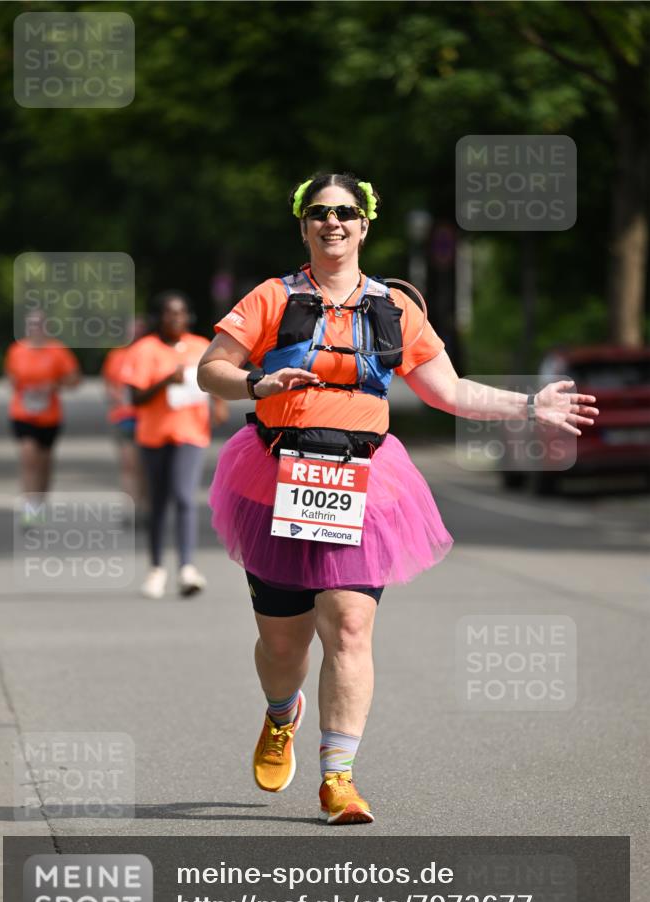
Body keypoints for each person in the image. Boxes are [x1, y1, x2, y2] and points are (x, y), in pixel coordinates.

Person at [197, 172, 598, 825]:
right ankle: (280, 715)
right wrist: (255, 380)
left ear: (364, 224)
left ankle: (338, 779)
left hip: (363, 481)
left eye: (346, 212)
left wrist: (527, 404)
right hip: (275, 478)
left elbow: (450, 391)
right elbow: (209, 367)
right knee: (282, 646)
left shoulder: (394, 307)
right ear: (303, 224)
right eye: (320, 213)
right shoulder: (272, 297)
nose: (333, 222)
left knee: (349, 627)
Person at [121, 291, 229, 599]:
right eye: (169, 313)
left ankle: (186, 567)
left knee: (183, 496)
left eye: (180, 313)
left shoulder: (200, 346)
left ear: (188, 317)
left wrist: (218, 403)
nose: (175, 318)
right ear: (159, 317)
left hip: (191, 434)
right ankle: (156, 568)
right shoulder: (144, 350)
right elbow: (135, 398)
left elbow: (214, 380)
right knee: (157, 502)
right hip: (153, 435)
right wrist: (166, 381)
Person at [4, 309, 81, 527]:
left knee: (45, 463)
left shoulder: (57, 351)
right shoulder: (17, 350)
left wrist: (53, 385)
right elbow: (10, 377)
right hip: (23, 413)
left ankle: (40, 501)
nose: (34, 328)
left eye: (38, 324)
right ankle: (30, 506)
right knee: (28, 458)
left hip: (50, 416)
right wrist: (22, 388)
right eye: (31, 324)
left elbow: (75, 379)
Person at [101, 317, 148, 523]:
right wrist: (118, 397)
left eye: (139, 330)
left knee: (145, 466)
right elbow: (109, 385)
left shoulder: (150, 354)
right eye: (133, 330)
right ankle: (132, 509)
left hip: (148, 417)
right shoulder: (116, 356)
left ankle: (146, 506)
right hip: (123, 417)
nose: (136, 334)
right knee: (129, 464)